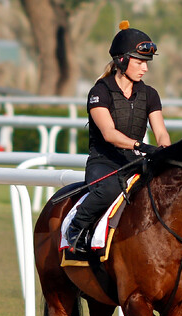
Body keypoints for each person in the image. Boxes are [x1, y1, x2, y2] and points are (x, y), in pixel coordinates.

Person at [66, 21, 171, 253]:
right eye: (140, 62)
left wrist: (165, 149)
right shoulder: (99, 92)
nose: (145, 68)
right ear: (122, 60)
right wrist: (143, 146)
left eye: (147, 63)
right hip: (104, 163)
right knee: (111, 189)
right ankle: (76, 228)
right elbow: (109, 134)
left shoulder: (150, 94)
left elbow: (161, 131)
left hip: (135, 161)